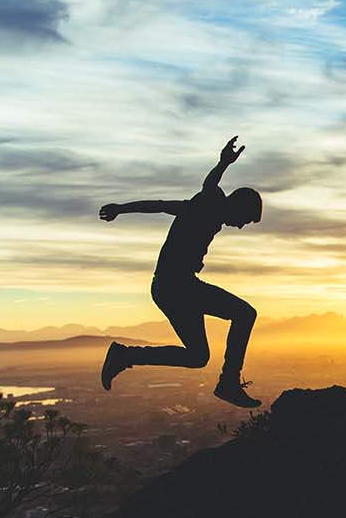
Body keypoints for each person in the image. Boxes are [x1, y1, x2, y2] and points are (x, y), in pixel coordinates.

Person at [97, 135, 263, 408]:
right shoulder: (209, 204)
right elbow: (182, 196)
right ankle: (228, 384)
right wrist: (223, 163)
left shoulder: (210, 211)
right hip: (176, 287)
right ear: (237, 206)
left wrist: (121, 209)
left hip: (173, 288)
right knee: (245, 313)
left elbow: (170, 203)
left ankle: (124, 356)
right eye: (244, 219)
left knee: (198, 357)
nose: (242, 226)